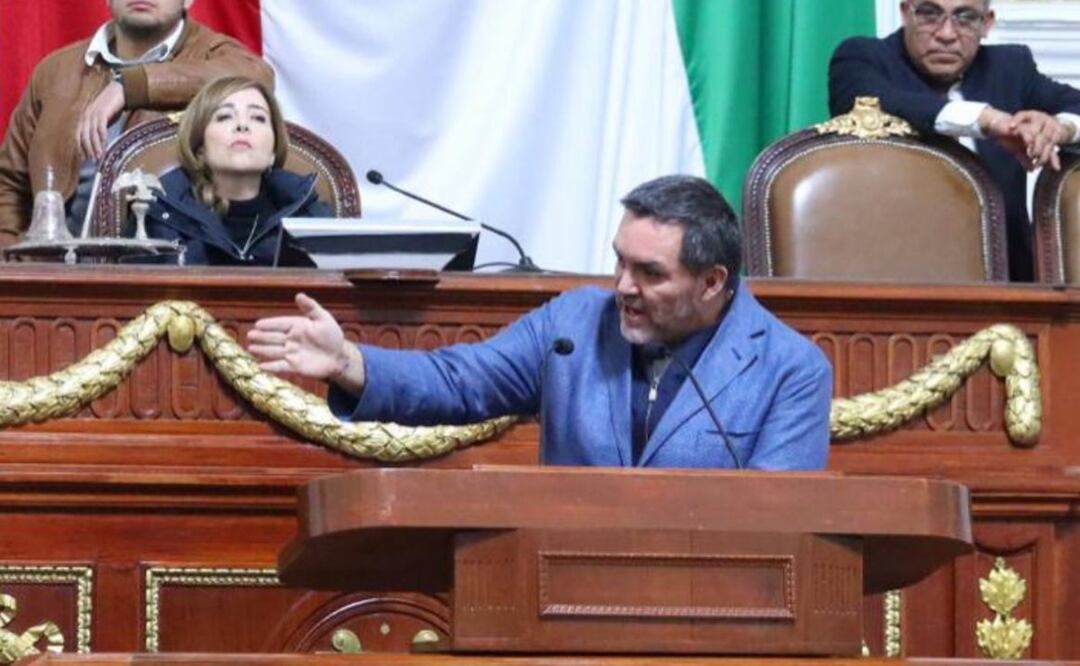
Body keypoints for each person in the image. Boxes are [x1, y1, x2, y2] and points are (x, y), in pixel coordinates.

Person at [247, 175, 832, 469]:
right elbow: (459, 381)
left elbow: (779, 522)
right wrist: (348, 361)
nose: (623, 287)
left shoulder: (790, 369)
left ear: (712, 282)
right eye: (619, 261)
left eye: (651, 273)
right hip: (567, 602)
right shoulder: (573, 324)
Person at [829, 0, 1080, 281]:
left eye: (965, 17)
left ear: (986, 23)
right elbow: (877, 100)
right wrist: (986, 120)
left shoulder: (1010, 67)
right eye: (929, 14)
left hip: (1011, 285)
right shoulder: (863, 58)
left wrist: (1061, 128)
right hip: (893, 277)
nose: (947, 34)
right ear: (905, 12)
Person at [0, 0, 273, 247]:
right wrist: (11, 269)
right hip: (53, 278)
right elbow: (9, 184)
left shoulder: (214, 55)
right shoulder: (55, 70)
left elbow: (256, 77)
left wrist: (130, 86)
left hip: (166, 273)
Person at [139, 76, 327, 266]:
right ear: (200, 148)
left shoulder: (310, 216)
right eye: (225, 116)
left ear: (273, 151)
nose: (242, 125)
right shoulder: (159, 212)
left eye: (258, 118)